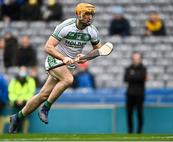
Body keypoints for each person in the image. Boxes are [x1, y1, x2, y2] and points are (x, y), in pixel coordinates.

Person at [9, 2, 108, 133]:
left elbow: (98, 50)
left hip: (69, 65)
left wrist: (85, 56)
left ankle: (17, 117)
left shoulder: (92, 31)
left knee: (43, 95)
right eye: (87, 14)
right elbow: (48, 47)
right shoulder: (65, 26)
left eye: (91, 14)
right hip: (55, 60)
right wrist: (63, 58)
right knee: (68, 80)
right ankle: (45, 108)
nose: (89, 17)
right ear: (78, 14)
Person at [124, 52, 147, 134]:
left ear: (140, 59)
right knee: (129, 115)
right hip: (130, 95)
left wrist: (133, 76)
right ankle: (130, 132)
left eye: (137, 59)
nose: (135, 60)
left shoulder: (143, 69)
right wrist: (136, 76)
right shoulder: (128, 68)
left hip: (139, 95)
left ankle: (139, 132)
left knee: (139, 114)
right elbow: (126, 78)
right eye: (134, 59)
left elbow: (141, 78)